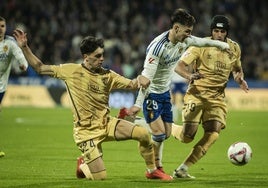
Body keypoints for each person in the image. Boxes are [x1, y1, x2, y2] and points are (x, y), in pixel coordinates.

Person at [13, 29, 173, 181]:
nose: (102, 59)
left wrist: (140, 79)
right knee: (100, 177)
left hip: (106, 123)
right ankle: (83, 165)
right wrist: (25, 47)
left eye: (102, 55)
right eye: (97, 56)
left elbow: (132, 84)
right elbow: (40, 68)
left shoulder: (107, 75)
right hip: (85, 132)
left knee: (143, 134)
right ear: (86, 57)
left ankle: (152, 171)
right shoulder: (71, 71)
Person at [125, 8, 230, 173]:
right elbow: (145, 80)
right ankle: (154, 169)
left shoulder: (185, 40)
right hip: (151, 92)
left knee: (167, 133)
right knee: (159, 135)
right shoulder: (157, 48)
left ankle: (137, 122)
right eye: (187, 31)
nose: (189, 35)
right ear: (176, 28)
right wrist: (138, 104)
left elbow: (204, 42)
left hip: (165, 93)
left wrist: (222, 45)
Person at [171, 15, 249, 178]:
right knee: (187, 137)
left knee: (213, 133)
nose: (219, 34)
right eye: (216, 31)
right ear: (211, 31)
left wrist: (239, 78)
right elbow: (179, 66)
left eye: (222, 31)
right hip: (197, 95)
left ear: (227, 32)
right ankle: (168, 127)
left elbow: (237, 68)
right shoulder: (200, 45)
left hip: (217, 99)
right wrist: (189, 76)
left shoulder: (234, 48)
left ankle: (184, 168)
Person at [0, 16, 28, 157]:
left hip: (1, 86)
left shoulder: (10, 43)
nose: (0, 29)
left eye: (3, 26)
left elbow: (19, 55)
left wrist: (24, 65)